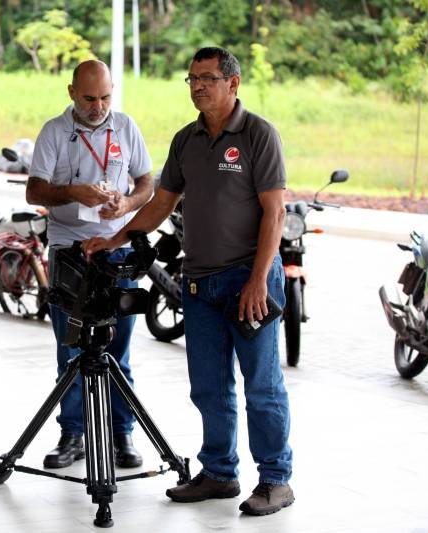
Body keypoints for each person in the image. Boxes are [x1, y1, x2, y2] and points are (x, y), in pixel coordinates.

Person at [84, 47, 294, 516]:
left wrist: (259, 280)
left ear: (233, 83)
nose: (198, 86)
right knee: (209, 386)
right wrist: (116, 237)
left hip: (248, 280)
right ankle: (219, 473)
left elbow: (275, 213)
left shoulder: (259, 135)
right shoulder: (186, 140)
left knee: (262, 385)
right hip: (199, 284)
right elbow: (160, 203)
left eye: (208, 78)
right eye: (192, 78)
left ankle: (276, 480)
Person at [26, 60, 154, 469]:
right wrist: (74, 193)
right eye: (89, 98)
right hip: (70, 252)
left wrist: (127, 202)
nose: (98, 106)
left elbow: (147, 184)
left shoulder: (127, 127)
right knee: (72, 352)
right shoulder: (55, 132)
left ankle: (123, 436)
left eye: (105, 97)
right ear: (71, 93)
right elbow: (34, 191)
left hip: (116, 249)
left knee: (119, 349)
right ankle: (72, 435)